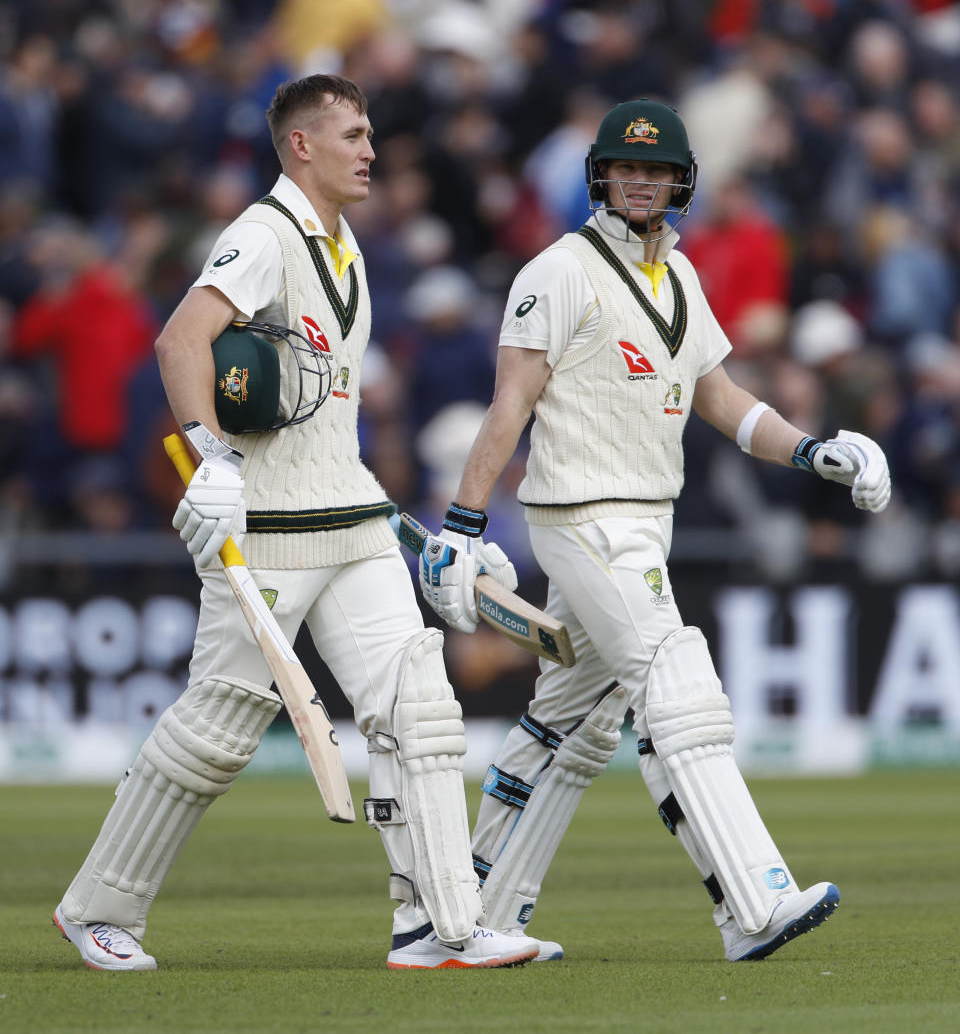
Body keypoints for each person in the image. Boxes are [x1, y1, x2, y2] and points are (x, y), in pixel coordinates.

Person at [52, 73, 538, 972]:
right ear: (302, 145)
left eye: (370, 133)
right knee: (221, 726)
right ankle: (97, 907)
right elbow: (179, 340)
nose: (370, 150)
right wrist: (210, 459)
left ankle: (441, 923)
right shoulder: (265, 233)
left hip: (351, 517)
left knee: (418, 708)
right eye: (352, 135)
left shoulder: (345, 242)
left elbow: (325, 416)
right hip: (266, 525)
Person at [417, 98, 891, 963]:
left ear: (681, 182)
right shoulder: (559, 269)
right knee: (680, 686)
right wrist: (462, 520)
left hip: (648, 519)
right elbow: (510, 403)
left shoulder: (680, 278)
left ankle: (471, 911)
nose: (641, 181)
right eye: (627, 167)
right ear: (602, 174)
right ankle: (753, 904)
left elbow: (723, 401)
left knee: (573, 722)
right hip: (582, 516)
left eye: (658, 169)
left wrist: (814, 451)